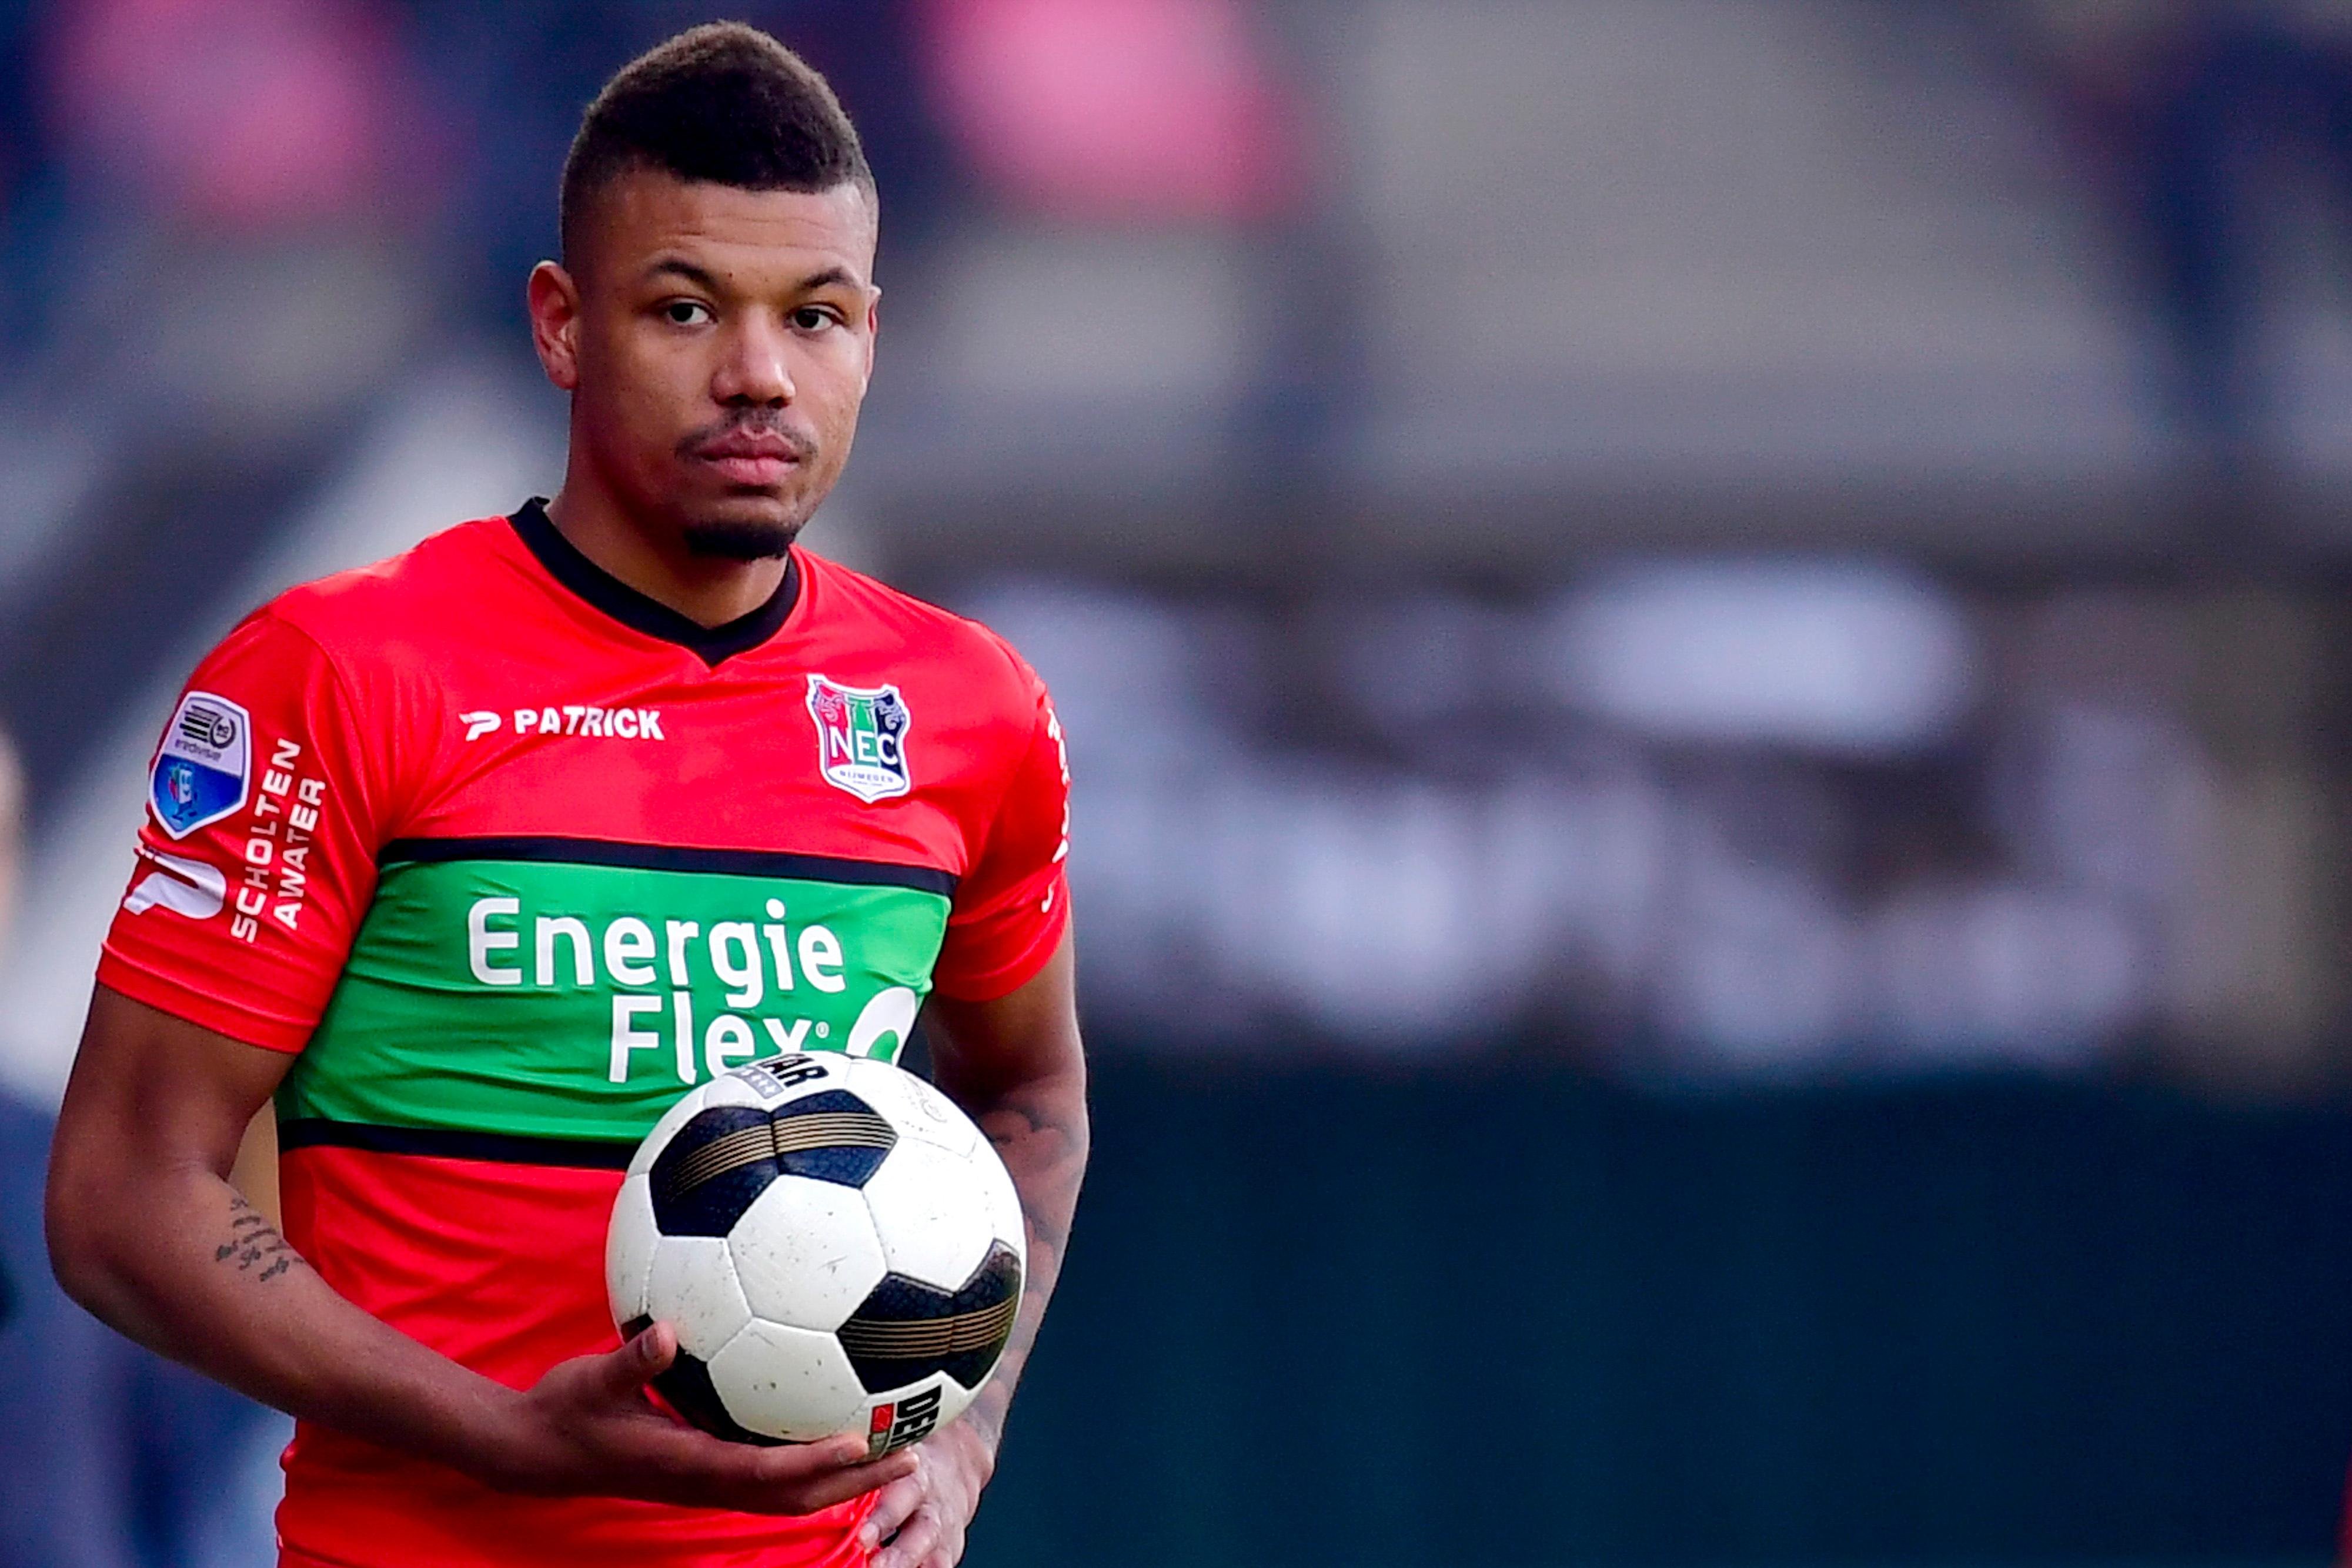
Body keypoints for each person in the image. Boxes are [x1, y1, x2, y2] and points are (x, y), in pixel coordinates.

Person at [44, 23, 1087, 1568]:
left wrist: (970, 1412)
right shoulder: (337, 675)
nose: (759, 374)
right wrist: (501, 1431)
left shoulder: (969, 710)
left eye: (813, 316)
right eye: (686, 309)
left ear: (871, 335)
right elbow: (124, 1196)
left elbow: (1032, 1096)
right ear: (562, 326)